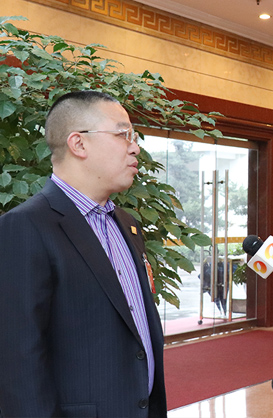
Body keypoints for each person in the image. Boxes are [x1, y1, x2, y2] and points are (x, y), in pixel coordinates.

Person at [0, 91, 167, 417]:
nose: (135, 148)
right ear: (78, 144)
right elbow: (17, 362)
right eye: (123, 135)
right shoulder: (25, 227)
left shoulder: (127, 224)